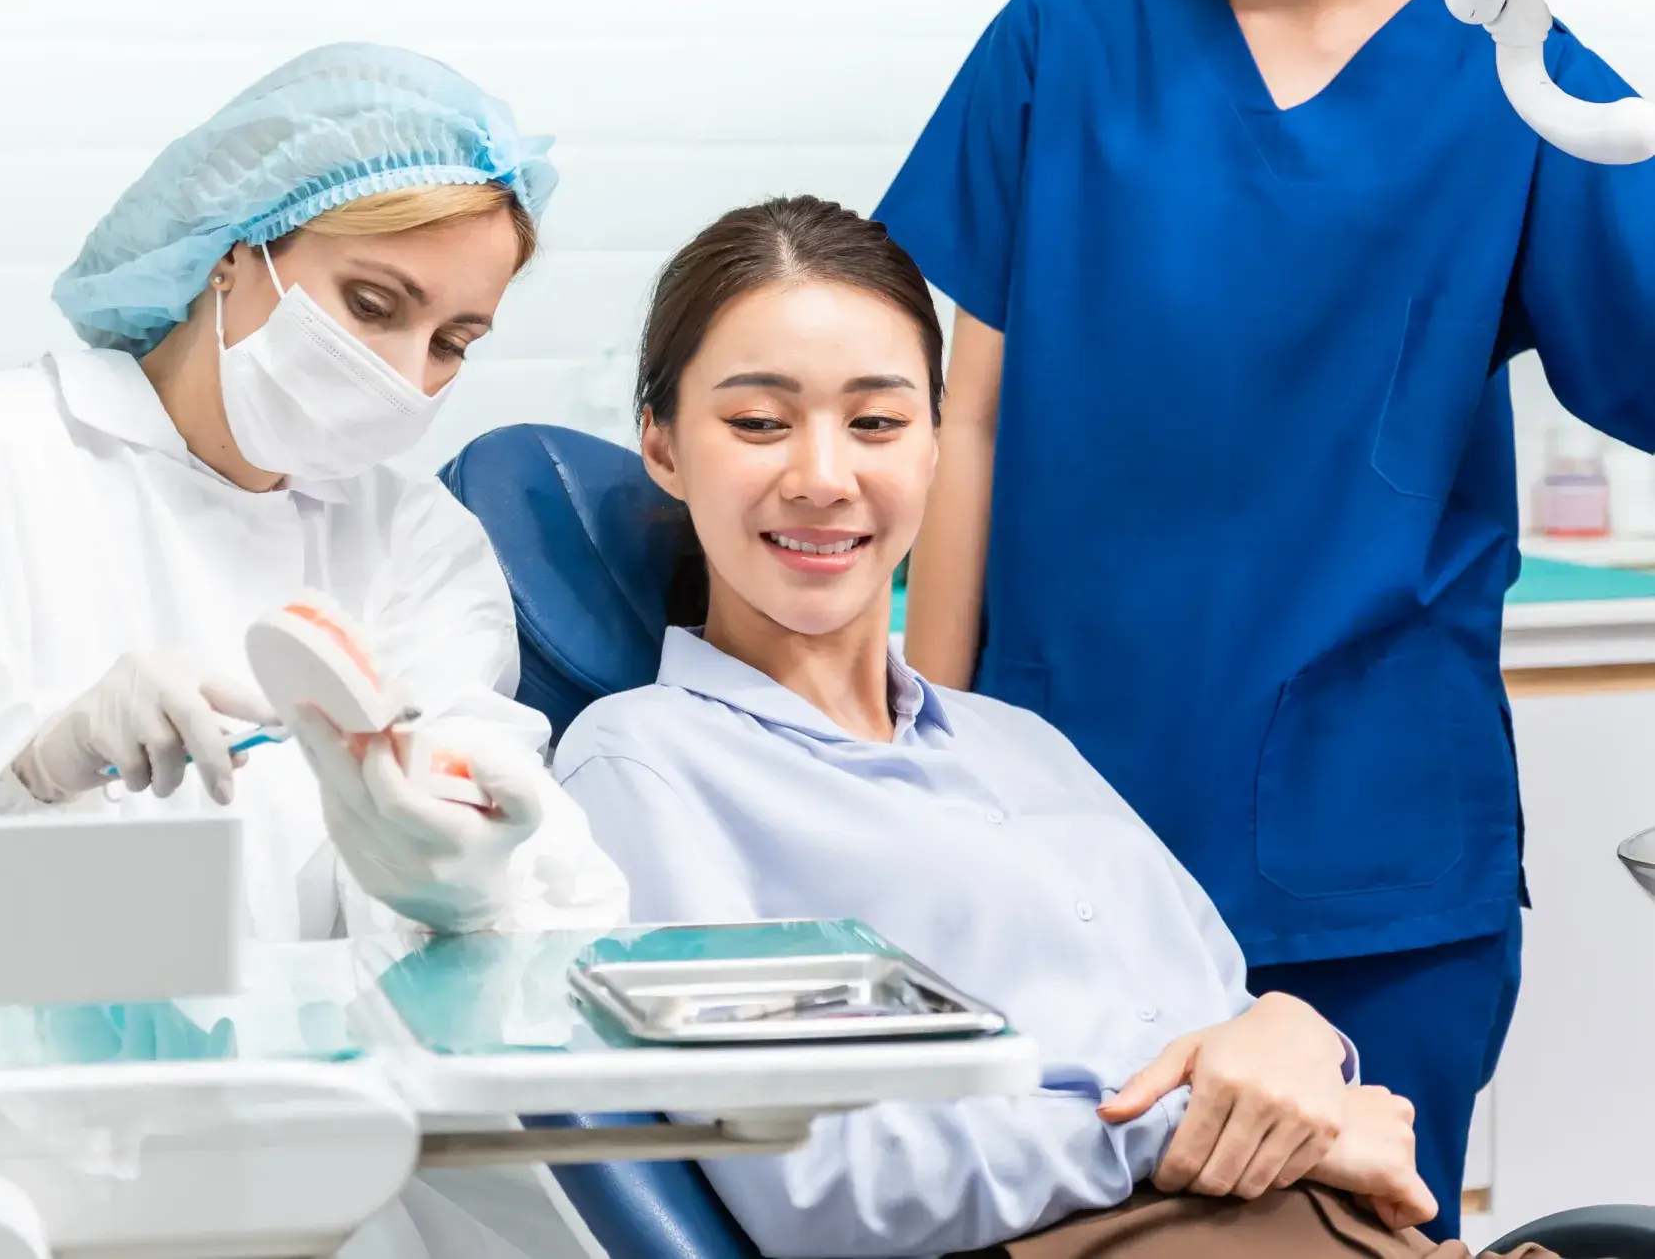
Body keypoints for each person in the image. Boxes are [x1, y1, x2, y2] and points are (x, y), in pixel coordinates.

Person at [870, 0, 1655, 1236]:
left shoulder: (1513, 62)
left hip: (1371, 846)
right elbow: (976, 423)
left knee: (1338, 1236)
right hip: (1072, 806)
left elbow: (1644, 373)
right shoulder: (1064, 38)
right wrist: (927, 777)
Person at [552, 196, 1560, 1259]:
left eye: (878, 421)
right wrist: (1186, 1128)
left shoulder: (1016, 746)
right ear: (661, 444)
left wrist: (1302, 1042)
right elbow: (821, 1183)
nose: (822, 476)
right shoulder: (647, 765)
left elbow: (1220, 1021)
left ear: (934, 446)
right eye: (757, 422)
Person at [0, 44, 628, 1259]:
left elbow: (530, 897)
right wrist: (32, 773)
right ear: (233, 252)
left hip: (324, 1179)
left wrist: (457, 868)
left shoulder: (414, 539)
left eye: (454, 339)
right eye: (374, 304)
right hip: (9, 1168)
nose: (406, 371)